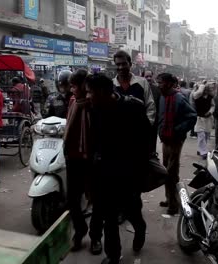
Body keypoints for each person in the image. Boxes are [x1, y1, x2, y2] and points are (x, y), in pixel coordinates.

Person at [87, 73, 150, 264]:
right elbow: (93, 141)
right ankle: (113, 255)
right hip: (105, 171)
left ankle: (140, 229)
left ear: (101, 92)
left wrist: (139, 168)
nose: (88, 96)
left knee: (132, 211)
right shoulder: (95, 109)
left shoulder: (133, 106)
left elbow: (147, 139)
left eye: (90, 92)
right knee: (109, 216)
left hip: (129, 172)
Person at [64, 69, 101, 254]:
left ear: (83, 86)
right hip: (73, 157)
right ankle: (80, 231)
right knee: (72, 199)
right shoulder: (73, 102)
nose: (72, 90)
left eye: (74, 86)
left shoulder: (95, 104)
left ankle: (95, 237)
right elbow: (68, 126)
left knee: (96, 200)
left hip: (92, 159)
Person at [157, 73, 197, 215]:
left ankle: (174, 204)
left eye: (161, 82)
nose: (159, 85)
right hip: (165, 139)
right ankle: (170, 199)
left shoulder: (179, 98)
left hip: (175, 140)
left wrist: (177, 130)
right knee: (166, 170)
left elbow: (192, 116)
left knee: (171, 172)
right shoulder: (162, 97)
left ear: (168, 83)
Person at [112, 50, 156, 126]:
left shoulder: (142, 82)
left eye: (124, 64)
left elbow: (150, 106)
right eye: (118, 64)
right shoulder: (111, 84)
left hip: (139, 131)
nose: (121, 67)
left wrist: (147, 125)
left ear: (130, 64)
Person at [192, 82, 215, 159]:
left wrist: (210, 112)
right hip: (199, 118)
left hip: (208, 119)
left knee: (205, 135)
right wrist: (201, 87)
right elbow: (196, 94)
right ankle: (204, 152)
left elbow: (213, 106)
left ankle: (200, 149)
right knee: (201, 135)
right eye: (204, 89)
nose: (205, 90)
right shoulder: (197, 96)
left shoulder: (210, 97)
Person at [142, 70, 161, 153]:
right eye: (147, 76)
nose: (149, 78)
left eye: (150, 76)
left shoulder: (157, 89)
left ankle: (152, 154)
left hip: (154, 120)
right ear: (142, 77)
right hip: (141, 119)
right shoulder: (138, 88)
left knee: (153, 139)